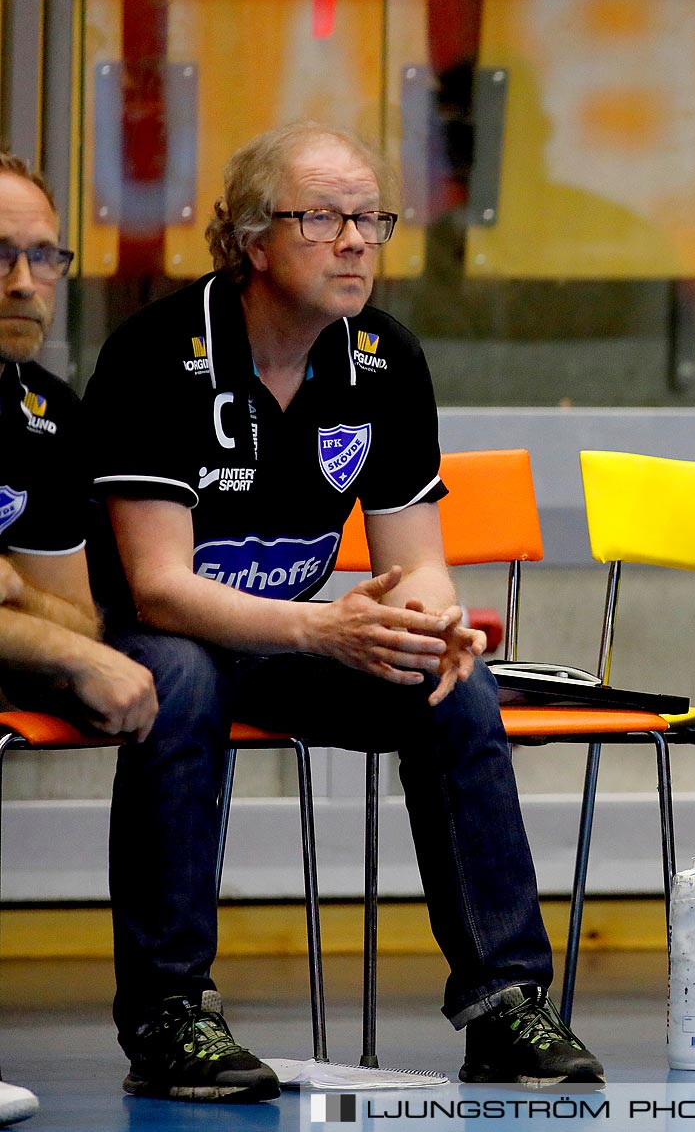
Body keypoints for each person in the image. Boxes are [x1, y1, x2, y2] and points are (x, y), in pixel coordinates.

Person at [78, 123, 601, 1103]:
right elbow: (156, 586)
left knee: (451, 682)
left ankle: (504, 1005)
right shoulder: (158, 351)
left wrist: (432, 621)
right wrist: (326, 626)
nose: (355, 240)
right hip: (152, 633)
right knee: (179, 677)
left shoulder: (385, 360)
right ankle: (169, 1014)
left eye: (370, 218)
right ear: (250, 240)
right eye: (322, 217)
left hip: (286, 631)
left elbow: (416, 566)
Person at [1, 151, 161, 1127]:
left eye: (42, 256)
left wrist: (16, 593)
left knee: (176, 681)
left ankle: (175, 1014)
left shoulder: (46, 413)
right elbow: (67, 640)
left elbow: (75, 610)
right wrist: (59, 647)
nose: (23, 283)